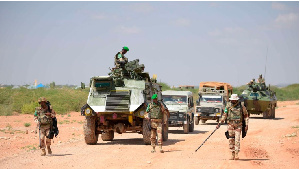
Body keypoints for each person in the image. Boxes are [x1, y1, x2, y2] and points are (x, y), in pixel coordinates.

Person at [216, 94, 249, 160]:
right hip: (230, 125)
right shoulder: (228, 106)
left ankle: (236, 153)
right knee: (231, 139)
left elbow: (246, 115)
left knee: (237, 140)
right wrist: (220, 122)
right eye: (232, 100)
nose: (233, 101)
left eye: (234, 100)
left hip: (238, 125)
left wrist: (246, 125)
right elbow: (225, 115)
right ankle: (232, 153)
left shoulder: (241, 106)